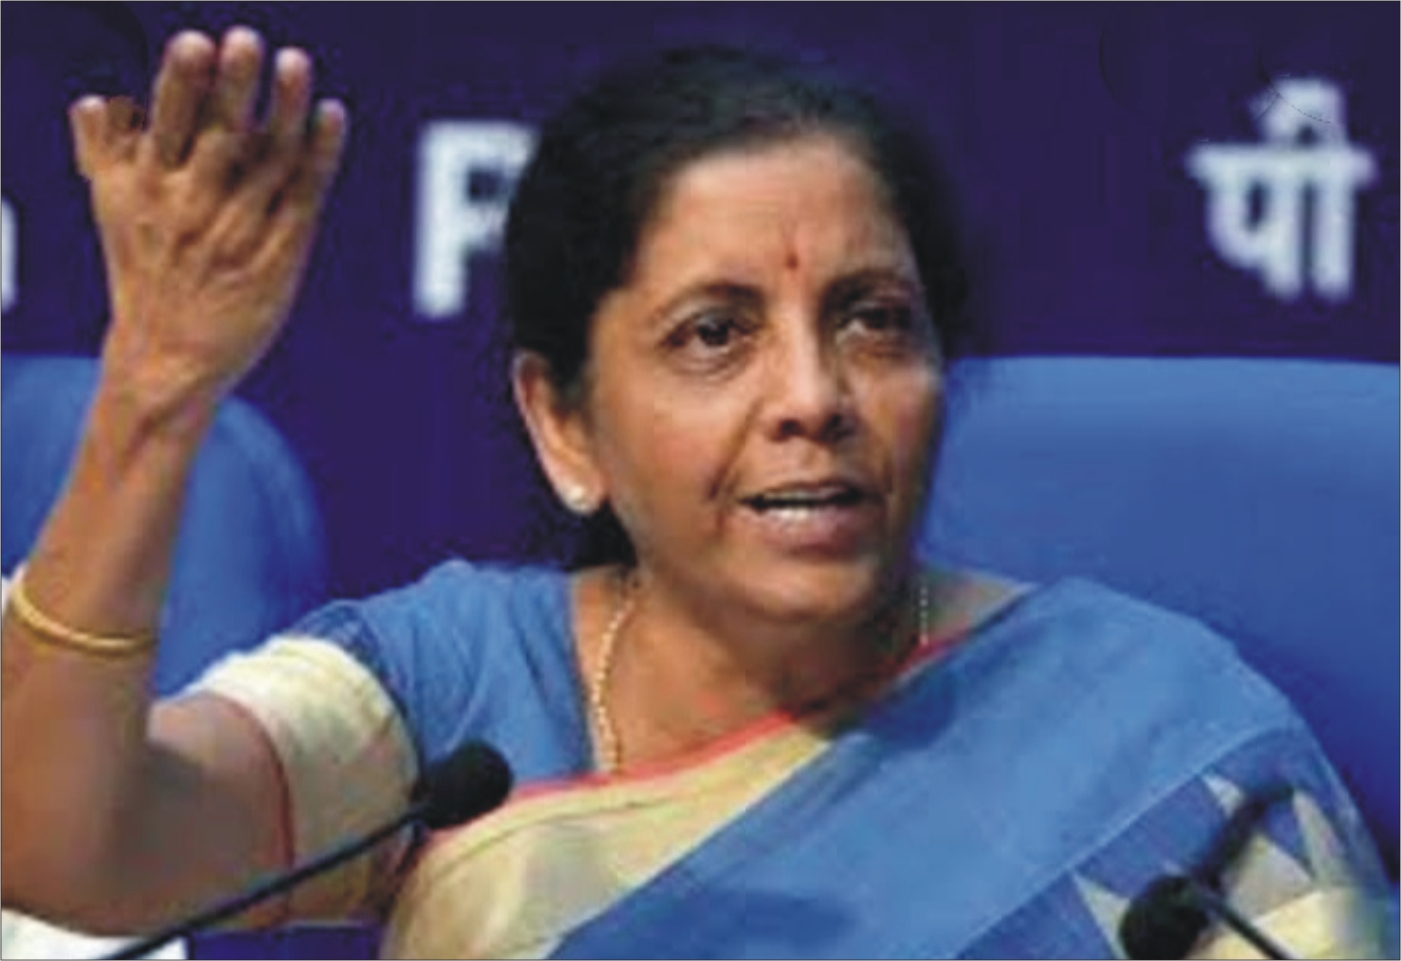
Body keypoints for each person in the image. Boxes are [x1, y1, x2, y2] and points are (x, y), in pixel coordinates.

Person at [1, 26, 1393, 960]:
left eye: (873, 320)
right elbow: (61, 849)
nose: (813, 395)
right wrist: (153, 396)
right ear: (565, 424)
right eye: (714, 335)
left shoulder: (1161, 739)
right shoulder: (452, 695)